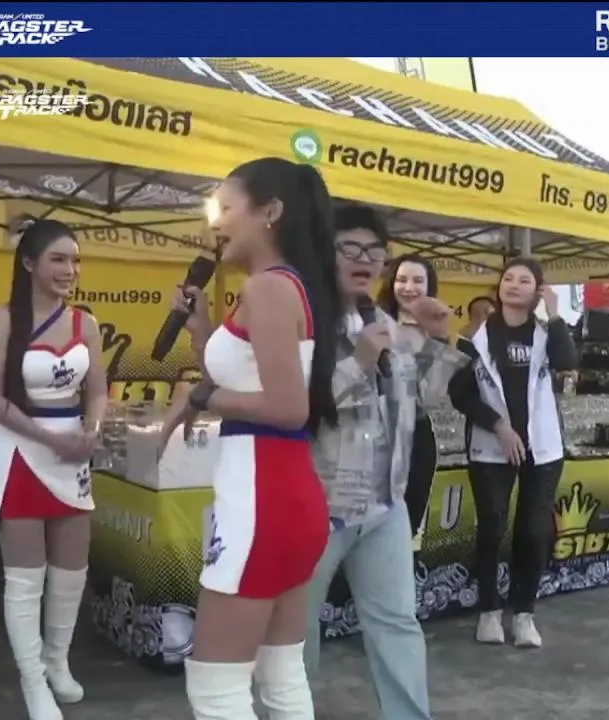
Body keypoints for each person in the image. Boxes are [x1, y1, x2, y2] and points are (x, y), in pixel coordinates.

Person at [156, 157, 341, 720]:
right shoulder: (287, 287)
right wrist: (202, 334)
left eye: (226, 207)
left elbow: (288, 408)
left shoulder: (268, 289)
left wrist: (202, 400)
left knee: (217, 689)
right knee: (281, 677)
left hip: (263, 500)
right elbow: (250, 378)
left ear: (270, 212)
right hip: (282, 496)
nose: (216, 221)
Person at [305, 202, 468, 719]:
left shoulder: (386, 326)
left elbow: (423, 399)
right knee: (296, 628)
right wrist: (358, 361)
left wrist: (436, 339)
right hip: (319, 506)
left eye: (375, 251)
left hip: (385, 502)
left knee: (397, 623)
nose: (365, 260)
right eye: (350, 248)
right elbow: (302, 408)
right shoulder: (305, 322)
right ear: (324, 252)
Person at [0, 217, 107, 720]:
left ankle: (57, 661)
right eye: (58, 258)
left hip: (72, 455)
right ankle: (32, 680)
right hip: (22, 454)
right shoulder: (2, 320)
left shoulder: (85, 324)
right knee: (25, 580)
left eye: (75, 260)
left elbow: (97, 390)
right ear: (29, 262)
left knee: (72, 573)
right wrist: (51, 438)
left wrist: (91, 430)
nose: (69, 269)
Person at [447, 258, 579, 648]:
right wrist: (499, 426)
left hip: (543, 448)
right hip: (491, 447)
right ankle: (489, 611)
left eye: (525, 280)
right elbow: (459, 394)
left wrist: (555, 313)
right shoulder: (473, 338)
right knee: (491, 529)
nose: (514, 285)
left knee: (534, 532)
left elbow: (568, 364)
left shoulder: (546, 334)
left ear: (537, 290)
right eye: (508, 278)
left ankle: (524, 613)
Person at [376, 250, 444, 540]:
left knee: (409, 523)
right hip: (377, 433)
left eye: (418, 281)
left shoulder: (434, 331)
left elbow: (435, 394)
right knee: (376, 521)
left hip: (418, 434)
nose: (409, 287)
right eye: (402, 279)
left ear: (429, 287)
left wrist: (438, 339)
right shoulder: (374, 324)